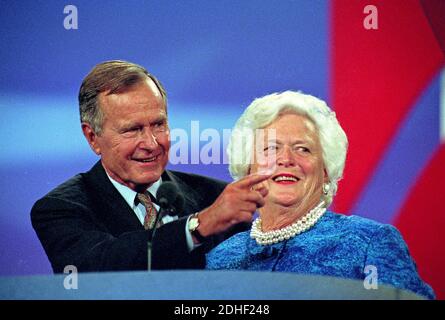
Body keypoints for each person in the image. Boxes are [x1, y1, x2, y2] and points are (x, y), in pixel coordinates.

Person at [31, 60, 271, 273]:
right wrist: (197, 227)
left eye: (158, 124)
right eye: (132, 130)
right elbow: (99, 267)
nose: (151, 143)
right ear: (93, 137)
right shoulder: (60, 209)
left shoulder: (216, 198)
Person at [205, 91, 435, 299]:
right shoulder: (220, 259)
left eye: (303, 149)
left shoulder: (368, 243)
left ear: (325, 171)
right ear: (248, 169)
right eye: (271, 148)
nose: (286, 159)